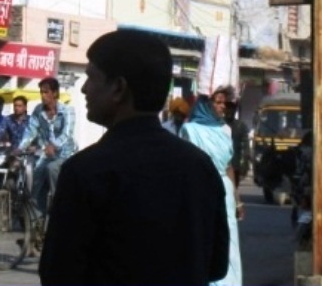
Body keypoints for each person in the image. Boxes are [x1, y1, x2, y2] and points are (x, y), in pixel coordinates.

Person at [40, 30, 229, 285]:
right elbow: (216, 265)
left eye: (92, 78)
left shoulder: (85, 171)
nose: (84, 88)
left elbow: (57, 273)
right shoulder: (199, 166)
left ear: (118, 88)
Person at [180, 88, 243, 286]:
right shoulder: (190, 129)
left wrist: (238, 200)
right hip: (201, 187)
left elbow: (229, 166)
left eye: (225, 103)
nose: (222, 107)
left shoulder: (226, 129)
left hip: (224, 189)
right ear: (206, 103)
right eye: (218, 102)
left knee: (228, 239)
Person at [19, 76, 77, 215]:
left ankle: (60, 204)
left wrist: (53, 145)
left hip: (65, 154)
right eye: (41, 92)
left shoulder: (68, 111)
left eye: (46, 92)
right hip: (45, 155)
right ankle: (36, 223)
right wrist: (20, 147)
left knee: (51, 169)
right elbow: (30, 131)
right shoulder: (38, 110)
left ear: (55, 93)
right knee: (36, 175)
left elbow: (67, 133)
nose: (43, 96)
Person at [224, 92, 252, 187]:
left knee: (233, 188)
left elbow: (246, 146)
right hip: (221, 164)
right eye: (228, 108)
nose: (229, 111)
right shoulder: (218, 125)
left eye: (232, 109)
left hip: (235, 165)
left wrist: (245, 163)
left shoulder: (241, 126)